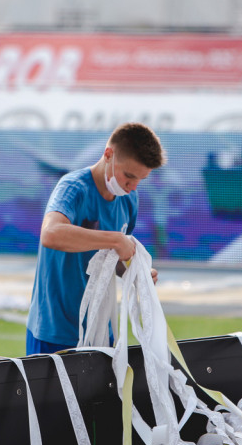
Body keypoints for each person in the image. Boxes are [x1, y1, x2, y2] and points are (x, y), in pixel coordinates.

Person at [26, 122, 166, 355]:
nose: (132, 187)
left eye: (140, 180)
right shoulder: (73, 188)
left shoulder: (129, 199)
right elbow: (50, 234)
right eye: (129, 176)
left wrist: (134, 272)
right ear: (108, 155)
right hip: (55, 328)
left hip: (101, 329)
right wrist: (114, 239)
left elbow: (113, 259)